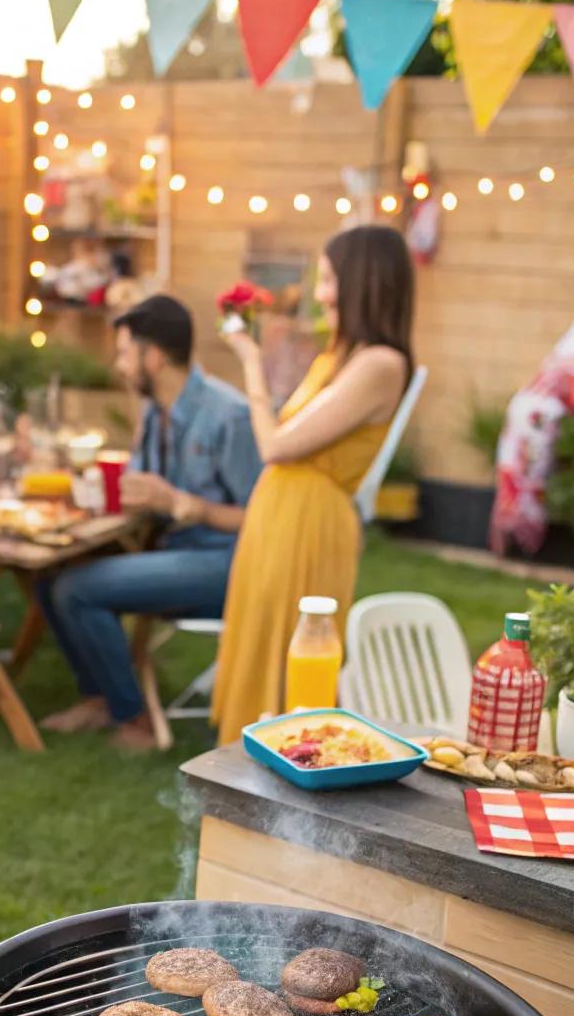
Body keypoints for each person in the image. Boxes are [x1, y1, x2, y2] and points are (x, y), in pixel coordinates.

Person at [212, 224, 414, 744]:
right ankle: (245, 781)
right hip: (279, 517)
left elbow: (277, 446)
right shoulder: (338, 359)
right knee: (262, 640)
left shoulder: (380, 365)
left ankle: (285, 788)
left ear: (362, 283)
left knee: (294, 661)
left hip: (310, 526)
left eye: (328, 280)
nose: (320, 294)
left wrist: (251, 364)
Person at [39, 295, 262, 750]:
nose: (119, 365)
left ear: (153, 357)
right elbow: (142, 492)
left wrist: (184, 503)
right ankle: (101, 697)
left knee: (77, 590)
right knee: (46, 575)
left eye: (124, 353)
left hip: (227, 563)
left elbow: (262, 518)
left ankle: (135, 720)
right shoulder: (156, 411)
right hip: (171, 549)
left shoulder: (229, 415)